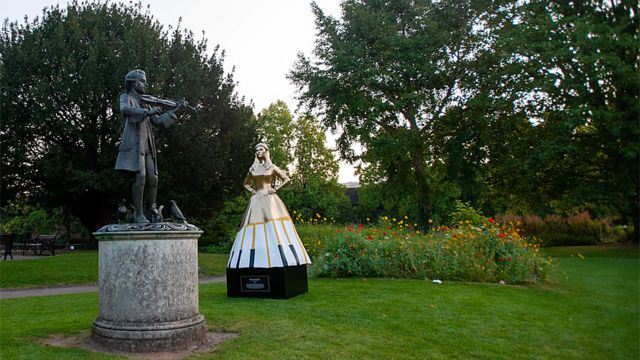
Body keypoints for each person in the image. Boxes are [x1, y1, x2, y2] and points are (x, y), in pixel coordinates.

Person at [115, 69, 185, 223]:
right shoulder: (126, 97)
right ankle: (139, 214)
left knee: (153, 178)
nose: (145, 83)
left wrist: (176, 110)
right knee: (140, 177)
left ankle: (150, 211)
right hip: (135, 145)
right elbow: (125, 110)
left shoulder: (146, 103)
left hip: (148, 147)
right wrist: (146, 112)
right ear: (133, 82)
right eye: (142, 80)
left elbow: (158, 122)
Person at [227, 143, 311, 269]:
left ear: (266, 151)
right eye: (256, 150)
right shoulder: (252, 169)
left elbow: (286, 179)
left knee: (273, 226)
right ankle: (252, 259)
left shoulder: (272, 167)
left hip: (270, 199)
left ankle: (279, 256)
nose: (258, 151)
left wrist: (276, 188)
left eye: (261, 149)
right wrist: (252, 191)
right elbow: (245, 184)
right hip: (256, 200)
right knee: (251, 228)